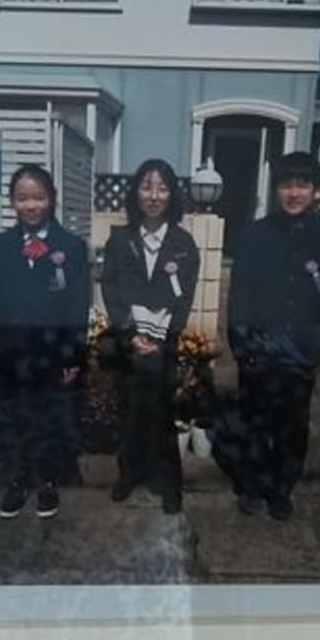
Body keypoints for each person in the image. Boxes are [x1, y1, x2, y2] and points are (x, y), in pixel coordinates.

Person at [223, 150, 320, 520]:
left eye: (302, 185)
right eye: (286, 185)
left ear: (315, 189)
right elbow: (240, 293)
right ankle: (252, 486)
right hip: (259, 347)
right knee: (255, 419)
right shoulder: (254, 234)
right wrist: (241, 344)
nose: (294, 193)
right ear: (275, 189)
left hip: (301, 349)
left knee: (292, 423)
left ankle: (282, 489)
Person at [0, 164, 91, 520]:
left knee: (49, 419)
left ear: (51, 199)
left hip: (51, 353)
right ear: (12, 202)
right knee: (14, 419)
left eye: (38, 197)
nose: (31, 205)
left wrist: (73, 355)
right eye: (22, 198)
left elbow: (78, 305)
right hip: (10, 352)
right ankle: (16, 481)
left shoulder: (71, 247)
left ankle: (48, 483)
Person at [97, 157, 201, 516]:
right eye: (146, 187)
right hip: (129, 344)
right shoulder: (120, 239)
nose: (154, 196)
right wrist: (130, 333)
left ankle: (170, 484)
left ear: (172, 195)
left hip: (163, 346)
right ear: (136, 193)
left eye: (162, 188)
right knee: (130, 413)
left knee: (162, 414)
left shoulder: (184, 243)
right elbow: (110, 287)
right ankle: (128, 475)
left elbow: (185, 297)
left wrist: (163, 337)